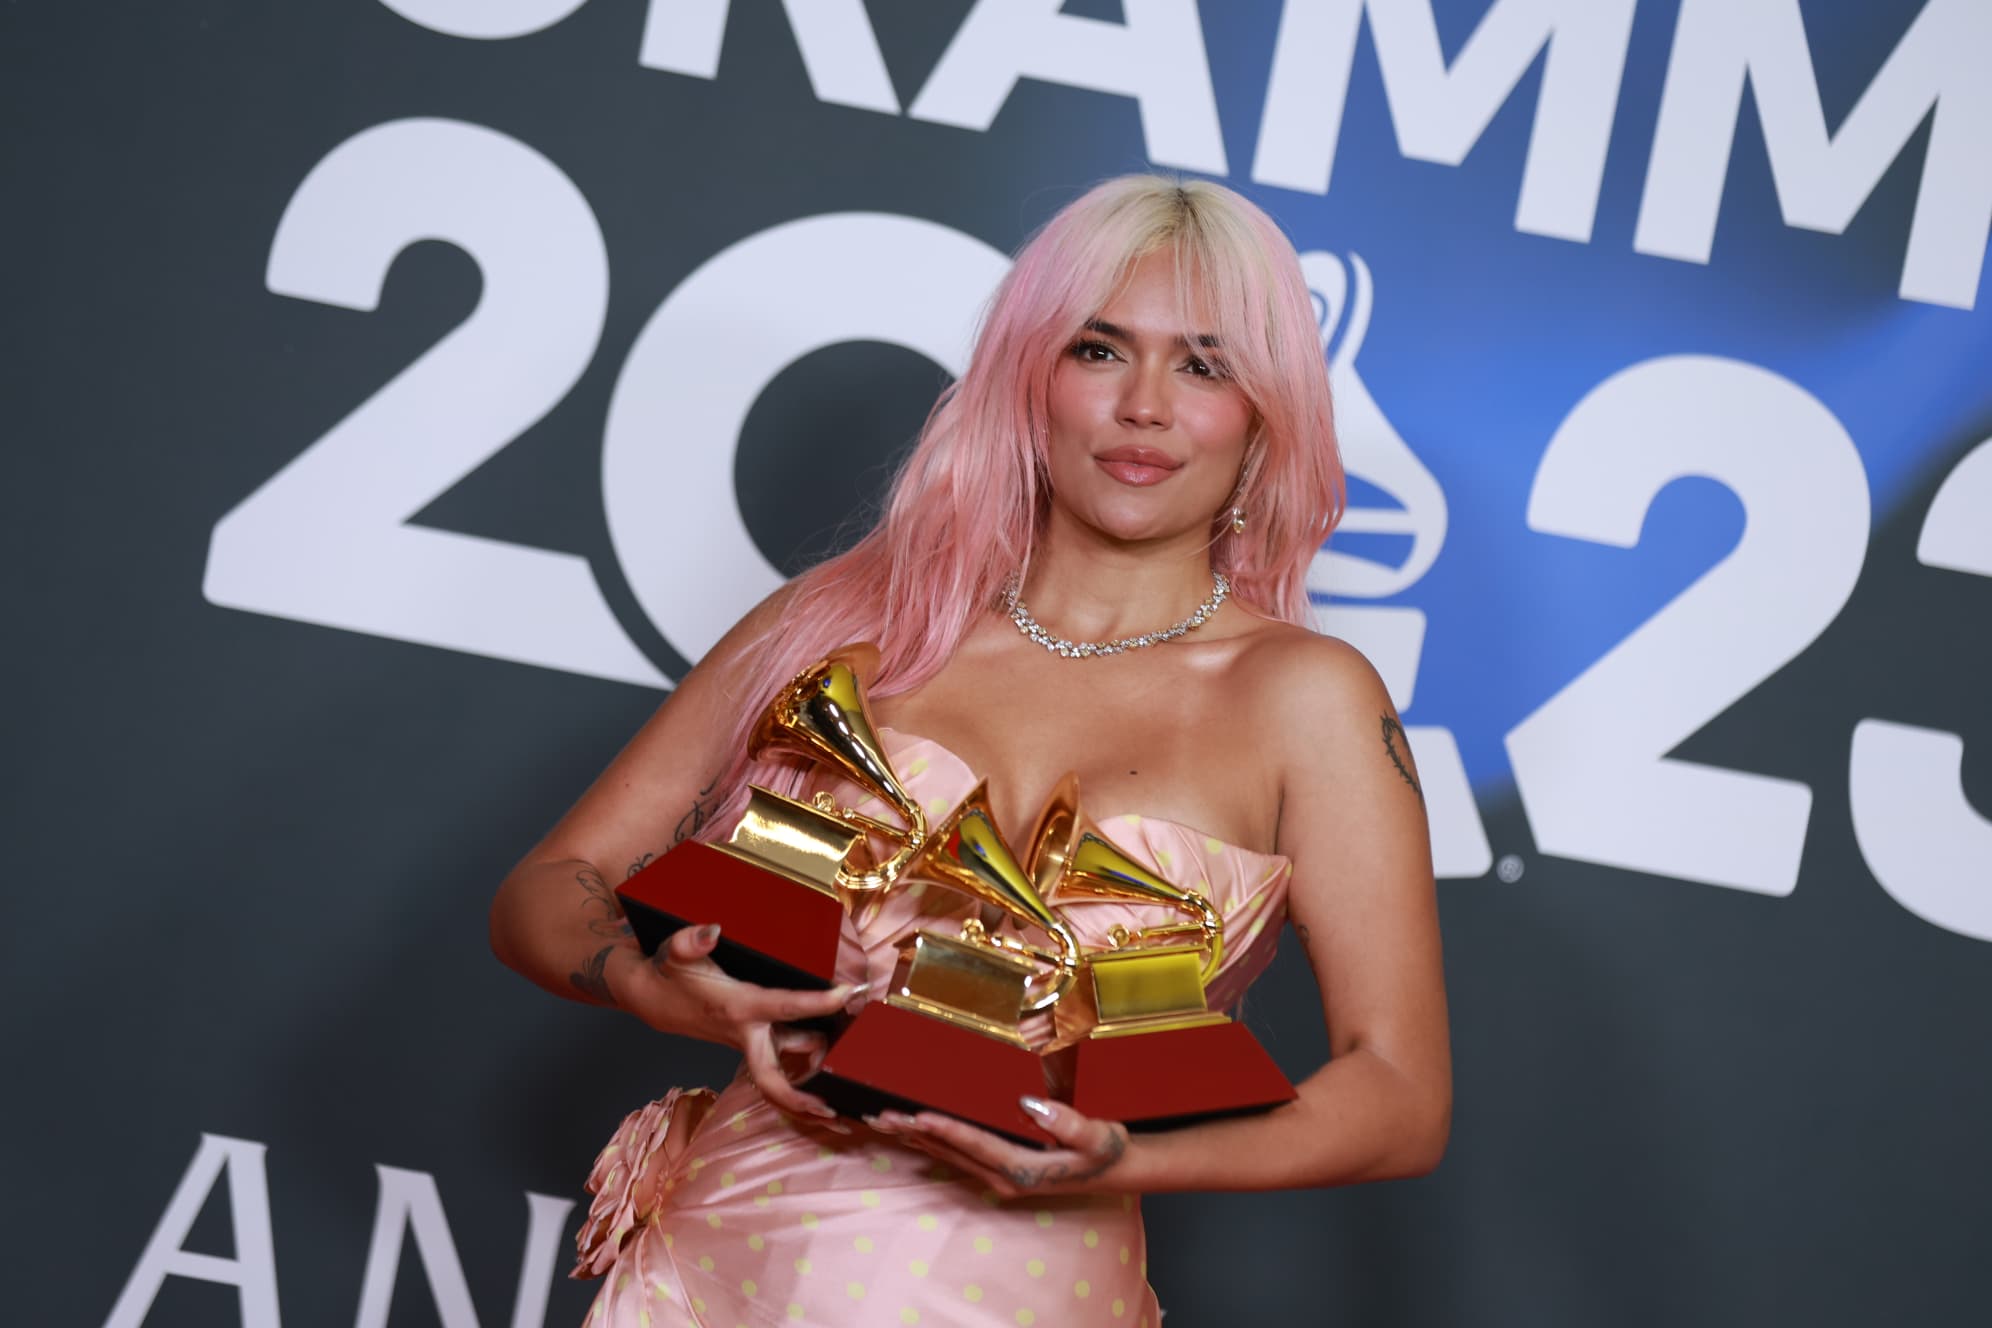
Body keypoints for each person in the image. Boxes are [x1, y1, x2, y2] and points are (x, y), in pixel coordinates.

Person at [489, 175, 1450, 1327]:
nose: (1145, 405)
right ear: (1028, 374)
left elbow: (1399, 1093)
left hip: (1025, 1290)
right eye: (1100, 349)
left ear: (1264, 412)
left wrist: (1121, 1161)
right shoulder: (844, 621)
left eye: (1204, 364)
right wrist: (652, 983)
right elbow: (548, 889)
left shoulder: (1307, 698)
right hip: (713, 1269)